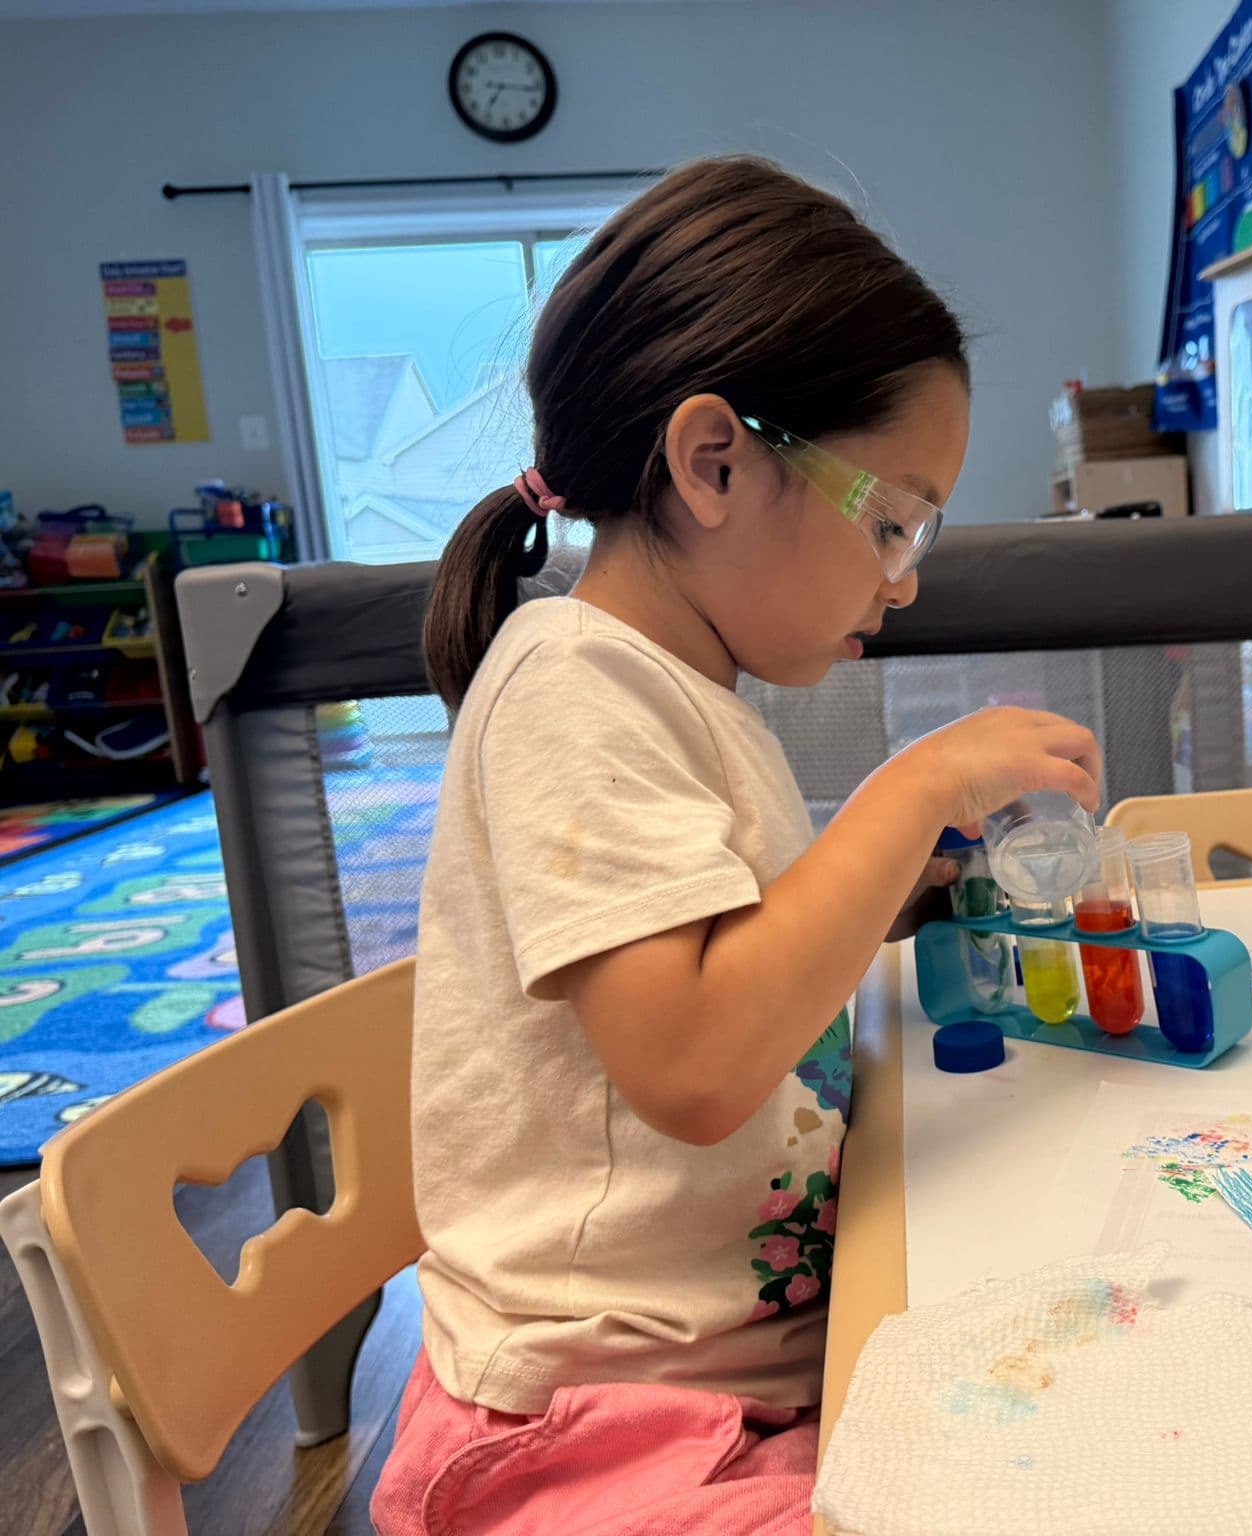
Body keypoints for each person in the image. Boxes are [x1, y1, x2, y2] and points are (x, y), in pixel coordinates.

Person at [372, 156, 1103, 1535]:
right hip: (586, 1431)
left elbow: (740, 953)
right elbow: (697, 1065)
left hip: (737, 1361)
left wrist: (910, 885)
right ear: (715, 462)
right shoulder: (571, 693)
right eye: (890, 517)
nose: (906, 574)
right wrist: (916, 787)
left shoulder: (675, 693)